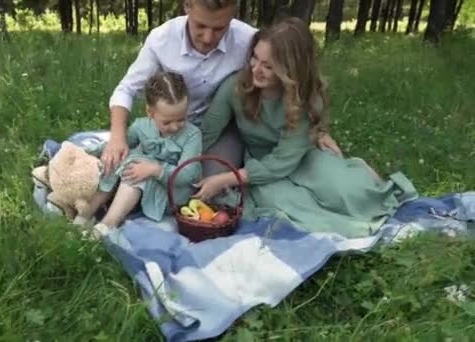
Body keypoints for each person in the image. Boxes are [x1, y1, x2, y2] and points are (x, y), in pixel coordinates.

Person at [194, 18, 419, 238]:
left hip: (301, 157)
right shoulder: (236, 86)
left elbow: (282, 162)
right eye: (255, 58)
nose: (256, 69)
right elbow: (208, 131)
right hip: (260, 165)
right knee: (287, 207)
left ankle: (357, 172)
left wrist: (225, 179)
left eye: (269, 66)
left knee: (347, 192)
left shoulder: (304, 100)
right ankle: (354, 229)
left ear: (290, 71)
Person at [101, 0, 342, 180]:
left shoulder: (249, 40)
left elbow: (292, 75)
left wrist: (314, 129)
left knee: (198, 183)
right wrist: (117, 137)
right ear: (187, 6)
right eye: (201, 25)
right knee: (116, 166)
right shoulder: (162, 39)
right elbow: (127, 89)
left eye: (219, 29)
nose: (208, 38)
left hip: (221, 130)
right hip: (168, 124)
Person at [76, 72, 202, 238]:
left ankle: (107, 224)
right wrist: (95, 152)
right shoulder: (141, 127)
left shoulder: (192, 135)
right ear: (150, 113)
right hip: (139, 192)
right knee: (118, 157)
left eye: (181, 119)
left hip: (171, 195)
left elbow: (188, 174)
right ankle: (87, 213)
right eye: (167, 122)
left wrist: (156, 170)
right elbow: (120, 145)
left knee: (136, 162)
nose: (175, 127)